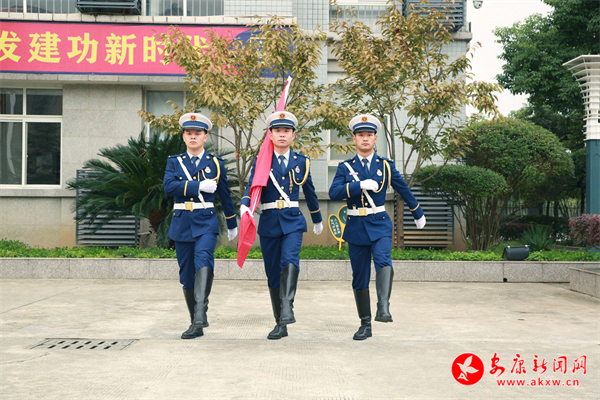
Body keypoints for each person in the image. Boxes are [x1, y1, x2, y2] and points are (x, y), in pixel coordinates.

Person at [328, 114, 426, 341]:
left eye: (369, 135)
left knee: (383, 259)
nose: (365, 138)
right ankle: (365, 324)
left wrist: (417, 211)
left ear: (375, 138)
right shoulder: (345, 167)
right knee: (359, 277)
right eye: (360, 135)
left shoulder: (385, 166)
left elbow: (403, 189)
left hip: (379, 223)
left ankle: (383, 306)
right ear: (354, 139)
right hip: (356, 226)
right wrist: (359, 184)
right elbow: (334, 192)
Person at [240, 111, 323, 340]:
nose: (282, 134)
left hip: (293, 220)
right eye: (278, 131)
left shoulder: (301, 161)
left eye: (287, 131)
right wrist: (245, 205)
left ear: (293, 135)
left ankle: (287, 305)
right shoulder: (262, 160)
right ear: (270, 135)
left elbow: (310, 192)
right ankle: (280, 322)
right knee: (273, 274)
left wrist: (317, 218)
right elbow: (252, 185)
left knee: (290, 260)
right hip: (269, 221)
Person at [164, 112, 238, 339]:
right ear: (183, 137)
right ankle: (195, 324)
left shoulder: (215, 163)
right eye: (189, 133)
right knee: (186, 275)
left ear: (205, 137)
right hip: (181, 223)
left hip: (206, 221)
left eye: (197, 133)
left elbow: (225, 194)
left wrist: (232, 223)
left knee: (204, 261)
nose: (193, 137)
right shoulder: (174, 162)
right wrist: (198, 186)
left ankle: (200, 313)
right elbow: (168, 187)